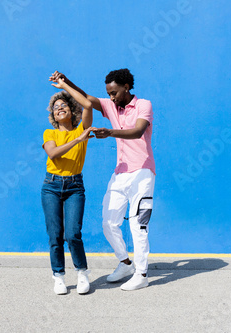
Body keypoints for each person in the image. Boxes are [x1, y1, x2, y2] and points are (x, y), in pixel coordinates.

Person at [49, 69, 156, 291]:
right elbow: (87, 99)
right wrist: (65, 81)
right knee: (108, 223)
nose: (111, 97)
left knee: (138, 225)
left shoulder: (143, 105)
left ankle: (142, 273)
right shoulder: (110, 105)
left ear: (126, 87)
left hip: (143, 172)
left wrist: (110, 132)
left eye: (114, 92)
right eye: (108, 93)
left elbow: (137, 132)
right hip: (120, 173)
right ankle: (126, 263)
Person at [41, 77, 94, 295]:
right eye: (55, 107)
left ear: (71, 110)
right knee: (55, 235)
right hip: (51, 186)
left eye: (63, 105)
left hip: (74, 186)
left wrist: (64, 87)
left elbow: (89, 104)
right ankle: (59, 277)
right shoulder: (50, 133)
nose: (59, 108)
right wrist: (78, 141)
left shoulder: (82, 127)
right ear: (53, 115)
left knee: (73, 234)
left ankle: (82, 273)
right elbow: (53, 154)